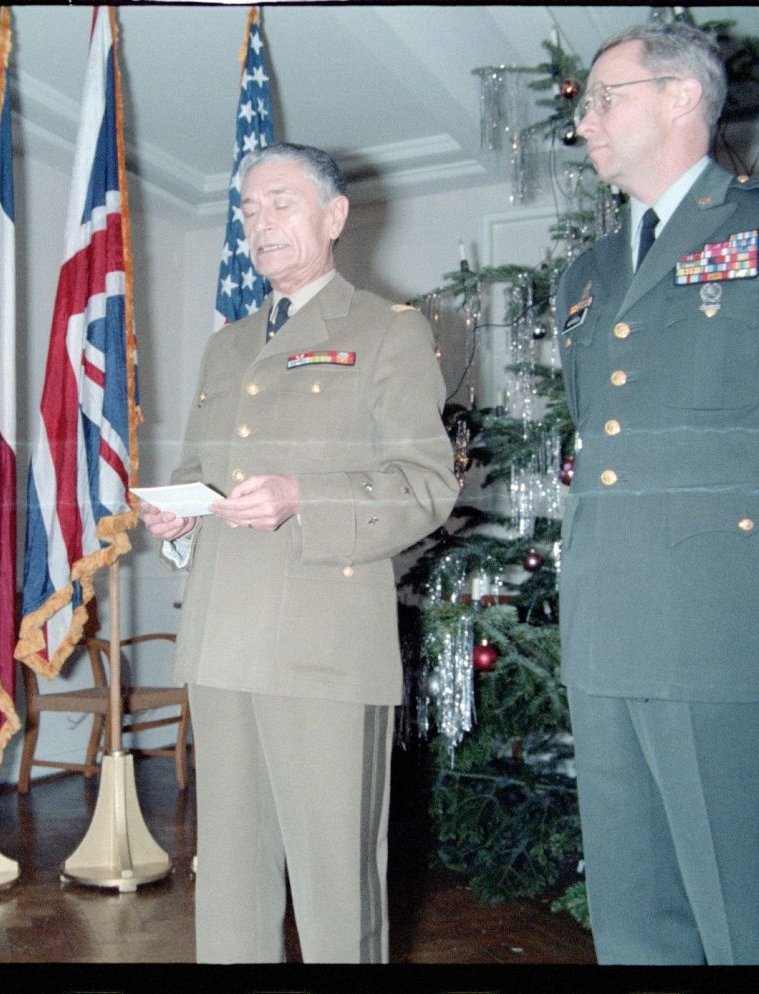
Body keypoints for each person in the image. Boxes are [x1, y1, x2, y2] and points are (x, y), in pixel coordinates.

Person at [555, 22, 759, 964]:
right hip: (605, 626)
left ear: (681, 98)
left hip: (719, 616)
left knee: (738, 917)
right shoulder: (586, 274)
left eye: (604, 97)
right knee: (630, 915)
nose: (583, 123)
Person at [141, 142, 458, 963]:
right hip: (221, 642)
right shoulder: (228, 344)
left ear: (335, 216)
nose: (260, 222)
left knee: (334, 888)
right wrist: (179, 518)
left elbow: (425, 485)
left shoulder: (389, 331)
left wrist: (301, 500)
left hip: (324, 646)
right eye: (248, 209)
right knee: (232, 886)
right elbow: (196, 472)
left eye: (280, 202)